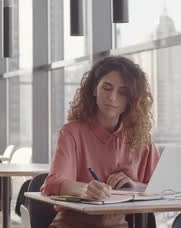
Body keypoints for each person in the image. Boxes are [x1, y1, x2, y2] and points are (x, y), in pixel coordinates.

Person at [42, 56, 160, 228]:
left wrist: (134, 186)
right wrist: (85, 189)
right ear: (94, 89)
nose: (112, 97)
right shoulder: (71, 133)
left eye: (122, 92)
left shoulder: (141, 139)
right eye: (107, 88)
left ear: (131, 99)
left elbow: (159, 189)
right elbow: (52, 184)